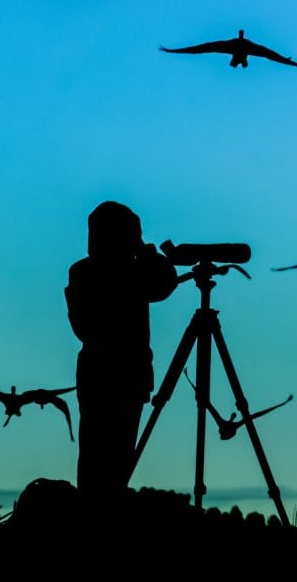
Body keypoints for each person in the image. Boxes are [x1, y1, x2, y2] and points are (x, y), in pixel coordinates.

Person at [65, 201, 178, 500]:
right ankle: (102, 514)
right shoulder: (131, 272)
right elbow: (166, 283)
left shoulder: (83, 272)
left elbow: (164, 284)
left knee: (97, 460)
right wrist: (147, 252)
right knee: (109, 462)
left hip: (103, 373)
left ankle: (96, 512)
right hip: (123, 374)